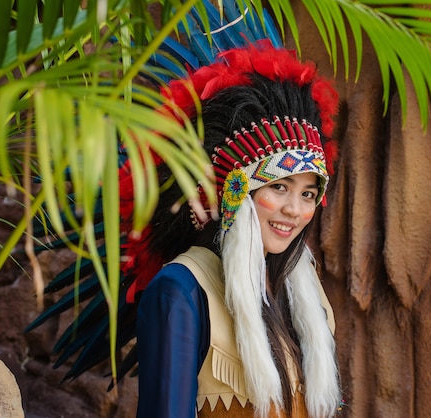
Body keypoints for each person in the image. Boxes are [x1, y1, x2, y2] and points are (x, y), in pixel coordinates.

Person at [124, 43, 342, 417]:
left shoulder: (307, 293)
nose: (295, 210)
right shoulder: (181, 290)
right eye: (279, 186)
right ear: (236, 191)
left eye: (308, 194)